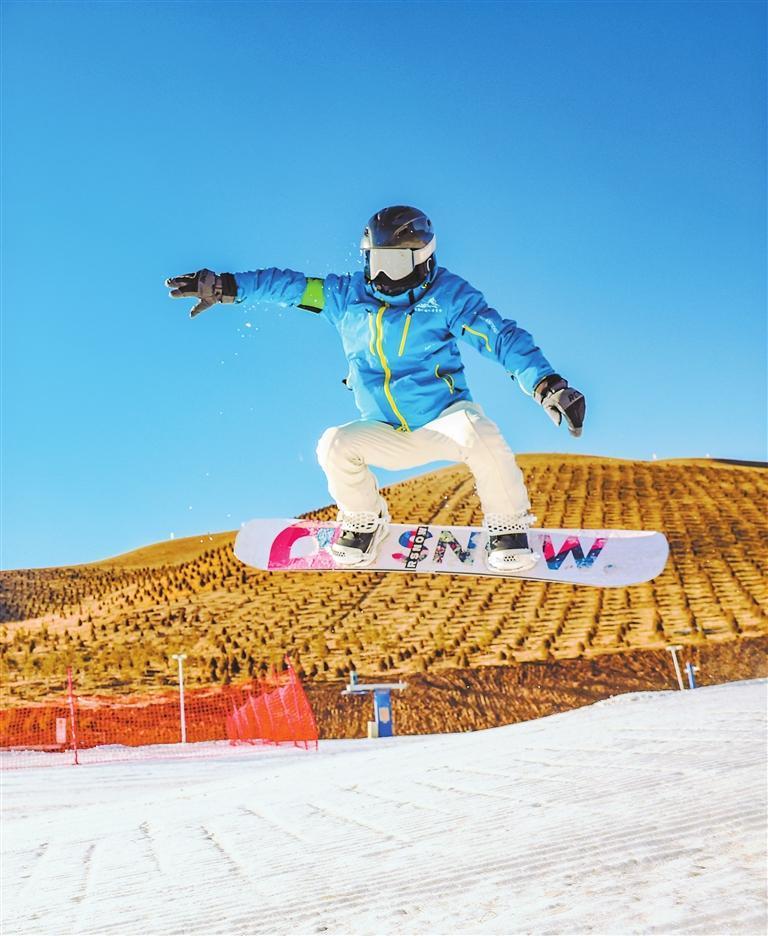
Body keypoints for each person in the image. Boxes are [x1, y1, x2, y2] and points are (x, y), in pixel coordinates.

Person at [166, 205, 585, 572]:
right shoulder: (345, 296)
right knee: (334, 444)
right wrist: (227, 287)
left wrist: (546, 385)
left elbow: (500, 337)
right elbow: (289, 287)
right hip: (385, 430)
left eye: (396, 264)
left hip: (444, 421)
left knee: (481, 434)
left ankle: (507, 528)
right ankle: (364, 521)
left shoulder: (447, 296)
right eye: (376, 262)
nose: (383, 276)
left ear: (423, 261)